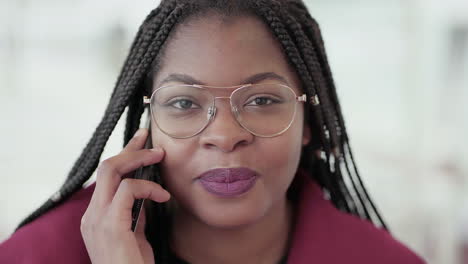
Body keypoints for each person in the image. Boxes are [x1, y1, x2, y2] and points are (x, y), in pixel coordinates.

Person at [0, 0, 427, 263]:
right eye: (184, 103)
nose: (224, 135)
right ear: (149, 125)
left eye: (262, 100)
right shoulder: (39, 255)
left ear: (308, 124)